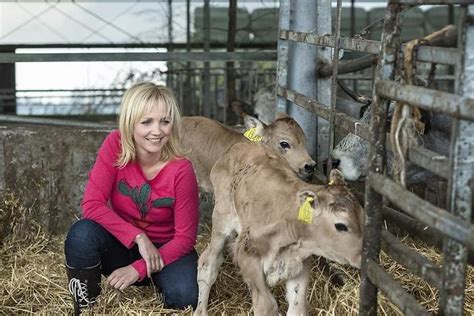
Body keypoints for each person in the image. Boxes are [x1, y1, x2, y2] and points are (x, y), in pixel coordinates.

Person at [64, 82, 199, 315]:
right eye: (146, 122)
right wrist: (138, 237)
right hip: (122, 244)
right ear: (130, 122)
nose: (157, 131)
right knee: (82, 233)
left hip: (167, 252)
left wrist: (139, 268)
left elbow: (185, 239)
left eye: (164, 122)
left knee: (185, 297)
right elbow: (92, 205)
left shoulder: (181, 169)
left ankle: (156, 280)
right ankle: (86, 305)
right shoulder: (115, 145)